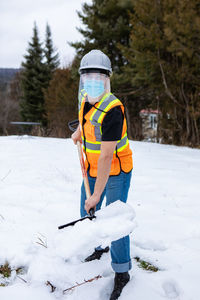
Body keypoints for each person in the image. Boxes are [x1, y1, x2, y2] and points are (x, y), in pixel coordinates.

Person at [71, 49, 133, 300]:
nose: (93, 81)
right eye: (88, 76)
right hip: (93, 168)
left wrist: (97, 193)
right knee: (86, 212)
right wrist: (78, 134)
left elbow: (108, 154)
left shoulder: (113, 109)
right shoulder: (86, 99)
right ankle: (99, 246)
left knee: (115, 222)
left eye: (98, 76)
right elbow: (87, 126)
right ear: (83, 79)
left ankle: (121, 271)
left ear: (107, 79)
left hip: (116, 170)